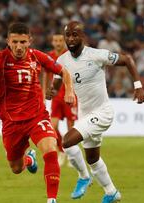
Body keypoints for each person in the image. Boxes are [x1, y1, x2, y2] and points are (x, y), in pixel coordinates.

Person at [0, 22, 74, 203]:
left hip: (37, 116)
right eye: (15, 42)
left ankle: (52, 199)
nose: (19, 46)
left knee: (50, 150)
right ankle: (29, 160)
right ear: (8, 41)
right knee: (15, 167)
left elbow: (64, 72)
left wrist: (68, 90)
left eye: (23, 42)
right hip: (11, 123)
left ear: (30, 41)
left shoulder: (37, 56)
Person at [49, 21, 144, 203]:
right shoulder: (61, 61)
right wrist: (50, 92)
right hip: (85, 115)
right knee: (93, 159)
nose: (71, 38)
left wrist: (138, 86)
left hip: (102, 112)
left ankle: (83, 177)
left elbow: (127, 60)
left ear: (82, 36)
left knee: (67, 142)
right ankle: (111, 192)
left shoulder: (96, 55)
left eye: (75, 34)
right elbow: (55, 85)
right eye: (68, 35)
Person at [44, 33, 78, 167]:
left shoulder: (69, 55)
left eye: (60, 40)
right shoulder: (49, 56)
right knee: (53, 127)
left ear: (63, 42)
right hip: (56, 97)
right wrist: (44, 92)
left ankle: (72, 154)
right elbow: (47, 75)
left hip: (70, 95)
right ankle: (61, 150)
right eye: (55, 40)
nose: (58, 43)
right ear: (52, 42)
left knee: (71, 128)